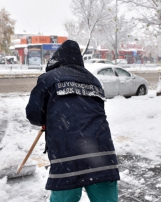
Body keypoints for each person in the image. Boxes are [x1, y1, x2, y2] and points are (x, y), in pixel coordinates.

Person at [26, 40, 120, 202]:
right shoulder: (93, 80)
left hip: (67, 156)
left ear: (57, 59)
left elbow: (34, 115)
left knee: (65, 197)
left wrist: (47, 118)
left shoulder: (48, 78)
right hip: (102, 155)